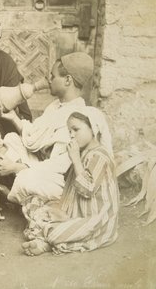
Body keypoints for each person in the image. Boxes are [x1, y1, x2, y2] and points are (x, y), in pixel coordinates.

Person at [0, 52, 94, 201]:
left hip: (58, 178)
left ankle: (20, 197)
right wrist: (13, 117)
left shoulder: (76, 118)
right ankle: (21, 190)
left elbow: (58, 167)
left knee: (27, 180)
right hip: (42, 164)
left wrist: (15, 167)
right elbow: (34, 137)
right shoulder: (55, 106)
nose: (49, 80)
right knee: (11, 139)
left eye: (53, 76)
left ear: (67, 80)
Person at [21, 106, 118, 256]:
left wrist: (76, 160)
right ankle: (46, 236)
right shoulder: (82, 153)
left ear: (93, 129)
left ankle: (44, 240)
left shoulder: (100, 156)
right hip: (75, 212)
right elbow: (69, 186)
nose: (71, 135)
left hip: (94, 218)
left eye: (76, 129)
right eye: (69, 131)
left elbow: (87, 190)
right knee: (31, 201)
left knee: (54, 232)